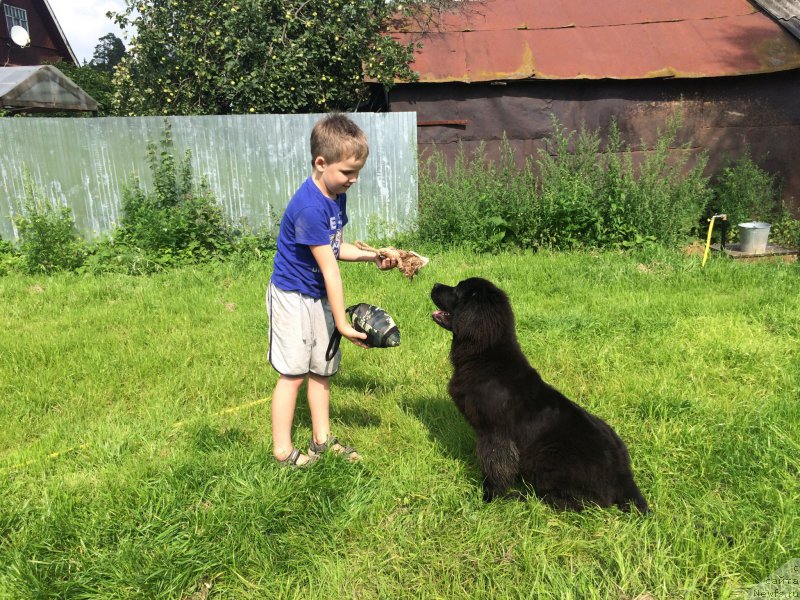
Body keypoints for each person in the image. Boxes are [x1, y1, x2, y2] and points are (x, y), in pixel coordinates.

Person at [267, 113, 396, 467]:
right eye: (348, 172)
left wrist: (373, 256)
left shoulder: (336, 194)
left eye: (358, 172)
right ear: (321, 163)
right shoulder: (309, 207)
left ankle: (321, 441)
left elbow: (334, 248)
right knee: (293, 374)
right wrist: (341, 323)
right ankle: (282, 451)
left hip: (318, 294)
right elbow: (330, 269)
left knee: (321, 369)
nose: (354, 180)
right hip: (293, 296)